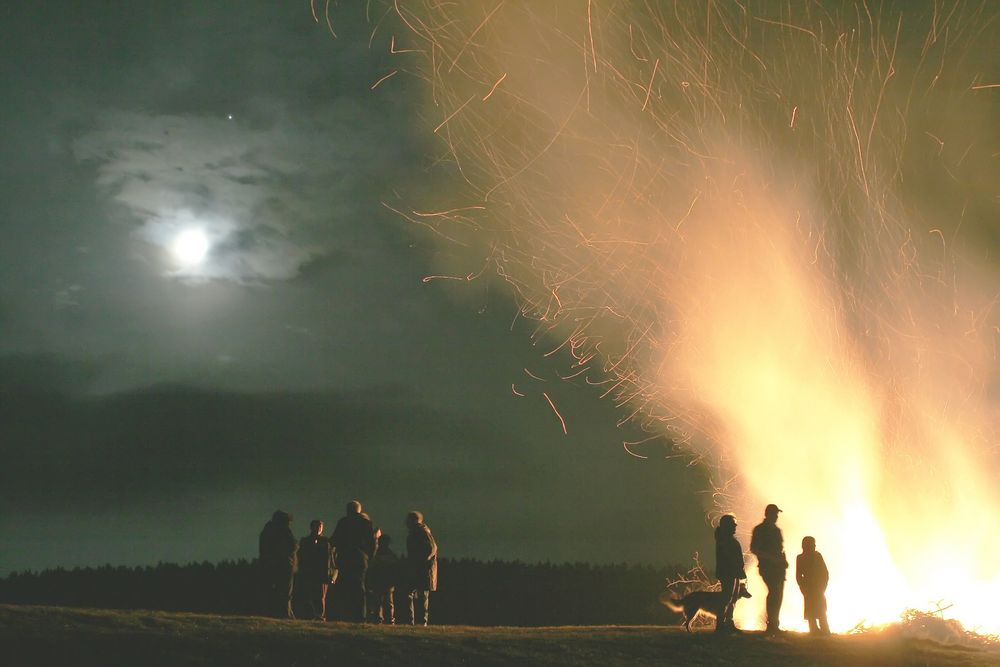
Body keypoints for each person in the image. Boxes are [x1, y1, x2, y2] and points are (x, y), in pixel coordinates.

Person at [331, 500, 377, 622]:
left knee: (345, 587)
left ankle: (345, 614)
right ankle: (359, 615)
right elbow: (372, 544)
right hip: (360, 558)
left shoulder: (343, 522)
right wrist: (368, 557)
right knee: (359, 586)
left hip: (345, 557)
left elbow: (334, 540)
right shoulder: (366, 523)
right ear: (359, 510)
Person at [750, 503, 788, 634]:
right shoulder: (760, 530)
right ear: (768, 514)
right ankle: (771, 624)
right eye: (774, 514)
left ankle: (774, 624)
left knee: (778, 595)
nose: (776, 516)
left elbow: (781, 549)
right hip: (768, 567)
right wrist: (770, 558)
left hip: (779, 567)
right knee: (774, 592)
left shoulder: (776, 531)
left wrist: (783, 561)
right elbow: (754, 548)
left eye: (776, 514)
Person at [258, 510, 299, 619]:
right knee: (285, 591)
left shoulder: (267, 530)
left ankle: (276, 613)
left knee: (274, 591)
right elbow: (294, 545)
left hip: (270, 564)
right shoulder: (283, 530)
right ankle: (286, 614)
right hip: (284, 565)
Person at [713, 514, 747, 634]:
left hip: (733, 572)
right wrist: (737, 568)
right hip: (729, 573)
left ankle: (727, 623)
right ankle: (722, 624)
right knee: (727, 598)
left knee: (731, 599)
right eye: (733, 525)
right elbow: (729, 558)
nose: (735, 527)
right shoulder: (725, 540)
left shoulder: (724, 539)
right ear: (727, 526)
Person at [403, 511, 437, 626]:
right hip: (418, 568)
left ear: (413, 520)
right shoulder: (417, 533)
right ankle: (416, 622)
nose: (405, 523)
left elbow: (432, 548)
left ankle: (419, 622)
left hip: (422, 569)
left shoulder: (421, 532)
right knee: (416, 594)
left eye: (408, 520)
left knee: (420, 595)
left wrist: (421, 561)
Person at [296, 519, 334, 621]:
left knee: (320, 596)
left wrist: (331, 574)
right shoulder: (305, 541)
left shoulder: (326, 541)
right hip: (309, 572)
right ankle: (311, 615)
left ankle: (319, 615)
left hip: (321, 572)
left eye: (320, 526)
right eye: (317, 526)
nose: (318, 529)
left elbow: (330, 559)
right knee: (309, 595)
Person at [796, 536, 830, 635]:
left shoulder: (818, 556)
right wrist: (803, 587)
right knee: (811, 610)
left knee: (821, 609)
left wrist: (824, 585)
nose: (814, 546)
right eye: (812, 544)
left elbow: (825, 572)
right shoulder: (801, 558)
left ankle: (824, 629)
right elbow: (798, 575)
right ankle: (814, 629)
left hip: (819, 587)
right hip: (809, 587)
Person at [366, 533, 399, 624]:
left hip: (380, 581)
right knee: (387, 602)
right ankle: (389, 620)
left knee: (379, 602)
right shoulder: (391, 555)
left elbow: (372, 568)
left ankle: (379, 619)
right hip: (387, 582)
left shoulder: (376, 555)